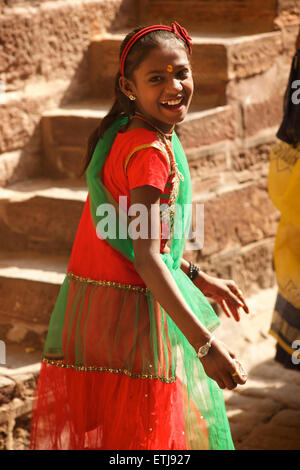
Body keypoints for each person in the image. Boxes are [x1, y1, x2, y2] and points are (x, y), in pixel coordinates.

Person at [30, 22, 249, 451]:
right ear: (128, 87)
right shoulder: (150, 153)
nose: (175, 86)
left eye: (181, 72)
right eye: (157, 78)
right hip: (135, 323)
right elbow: (148, 258)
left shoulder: (124, 132)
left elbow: (127, 232)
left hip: (103, 317)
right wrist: (206, 348)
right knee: (146, 440)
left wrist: (196, 274)